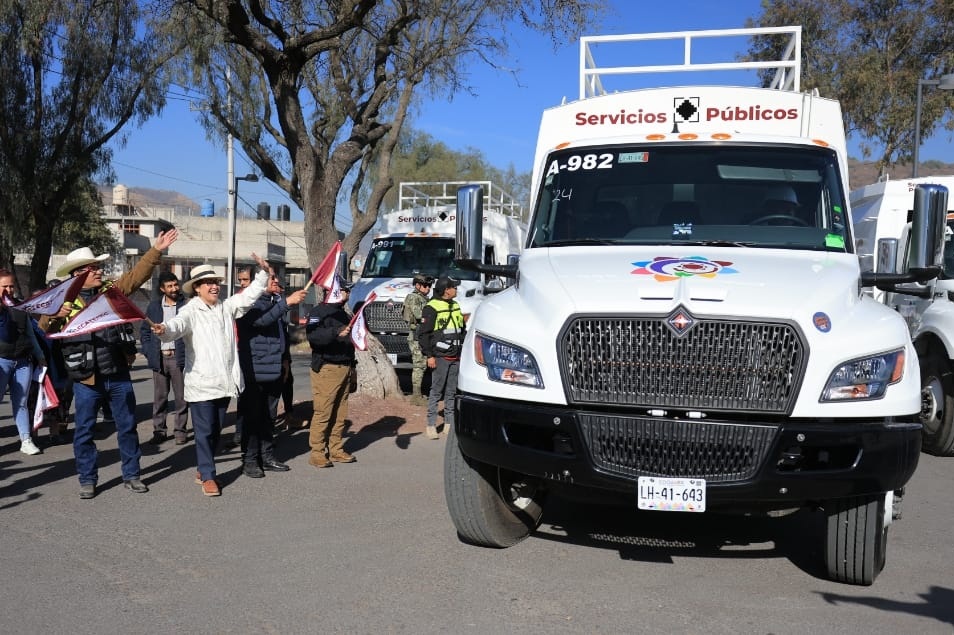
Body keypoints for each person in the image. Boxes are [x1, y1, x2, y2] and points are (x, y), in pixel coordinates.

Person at [40, 230, 179, 499]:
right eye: (93, 268)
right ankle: (88, 479)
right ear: (78, 273)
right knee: (84, 432)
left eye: (99, 267)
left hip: (118, 375)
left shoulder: (111, 292)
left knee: (127, 427)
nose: (99, 271)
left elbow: (136, 276)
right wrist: (54, 313)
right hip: (86, 380)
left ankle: (132, 475)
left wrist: (156, 250)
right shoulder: (63, 300)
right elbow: (43, 328)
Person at [151, 256, 270, 497]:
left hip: (225, 384)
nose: (214, 286)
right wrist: (164, 330)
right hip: (202, 384)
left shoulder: (226, 307)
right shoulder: (190, 311)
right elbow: (176, 325)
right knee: (204, 431)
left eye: (215, 281)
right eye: (208, 282)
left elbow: (248, 296)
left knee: (215, 430)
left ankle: (203, 467)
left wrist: (263, 274)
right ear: (197, 287)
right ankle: (208, 475)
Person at [235, 274, 306, 477]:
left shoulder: (276, 303)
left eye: (277, 278)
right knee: (252, 418)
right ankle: (249, 460)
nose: (276, 281)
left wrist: (285, 362)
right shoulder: (248, 302)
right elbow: (259, 321)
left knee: (269, 417)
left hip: (274, 368)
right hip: (254, 369)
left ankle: (266, 456)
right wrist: (287, 303)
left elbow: (280, 336)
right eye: (271, 278)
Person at [305, 277, 357, 468]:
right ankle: (317, 452)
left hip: (344, 366)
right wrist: (335, 332)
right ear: (333, 290)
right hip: (327, 367)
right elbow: (313, 337)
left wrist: (353, 367)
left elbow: (349, 343)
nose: (348, 294)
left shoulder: (343, 313)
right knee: (324, 412)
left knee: (340, 413)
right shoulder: (319, 312)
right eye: (344, 290)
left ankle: (335, 448)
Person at [140, 272, 188, 445]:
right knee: (160, 398)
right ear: (162, 289)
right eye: (170, 286)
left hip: (178, 358)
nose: (174, 289)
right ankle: (159, 430)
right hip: (159, 358)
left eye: (176, 285)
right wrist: (148, 351)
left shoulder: (186, 305)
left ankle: (180, 431)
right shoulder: (154, 307)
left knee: (181, 398)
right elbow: (145, 331)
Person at [418, 276, 465, 440]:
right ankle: (430, 425)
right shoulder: (431, 307)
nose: (456, 290)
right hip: (440, 357)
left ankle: (449, 424)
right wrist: (429, 356)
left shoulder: (456, 305)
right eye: (454, 287)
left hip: (455, 356)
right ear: (446, 290)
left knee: (451, 392)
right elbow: (423, 334)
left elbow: (462, 330)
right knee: (436, 391)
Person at [0, 270, 41, 455]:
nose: (8, 289)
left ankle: (26, 439)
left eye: (11, 286)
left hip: (23, 361)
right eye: (4, 286)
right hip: (2, 361)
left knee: (22, 402)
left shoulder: (20, 306)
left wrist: (40, 354)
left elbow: (30, 333)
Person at [402, 273, 433, 405]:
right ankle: (416, 396)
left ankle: (418, 394)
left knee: (422, 364)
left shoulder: (424, 298)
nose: (428, 288)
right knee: (419, 365)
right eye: (426, 286)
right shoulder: (413, 298)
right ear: (418, 285)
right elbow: (419, 314)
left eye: (430, 286)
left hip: (422, 335)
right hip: (416, 335)